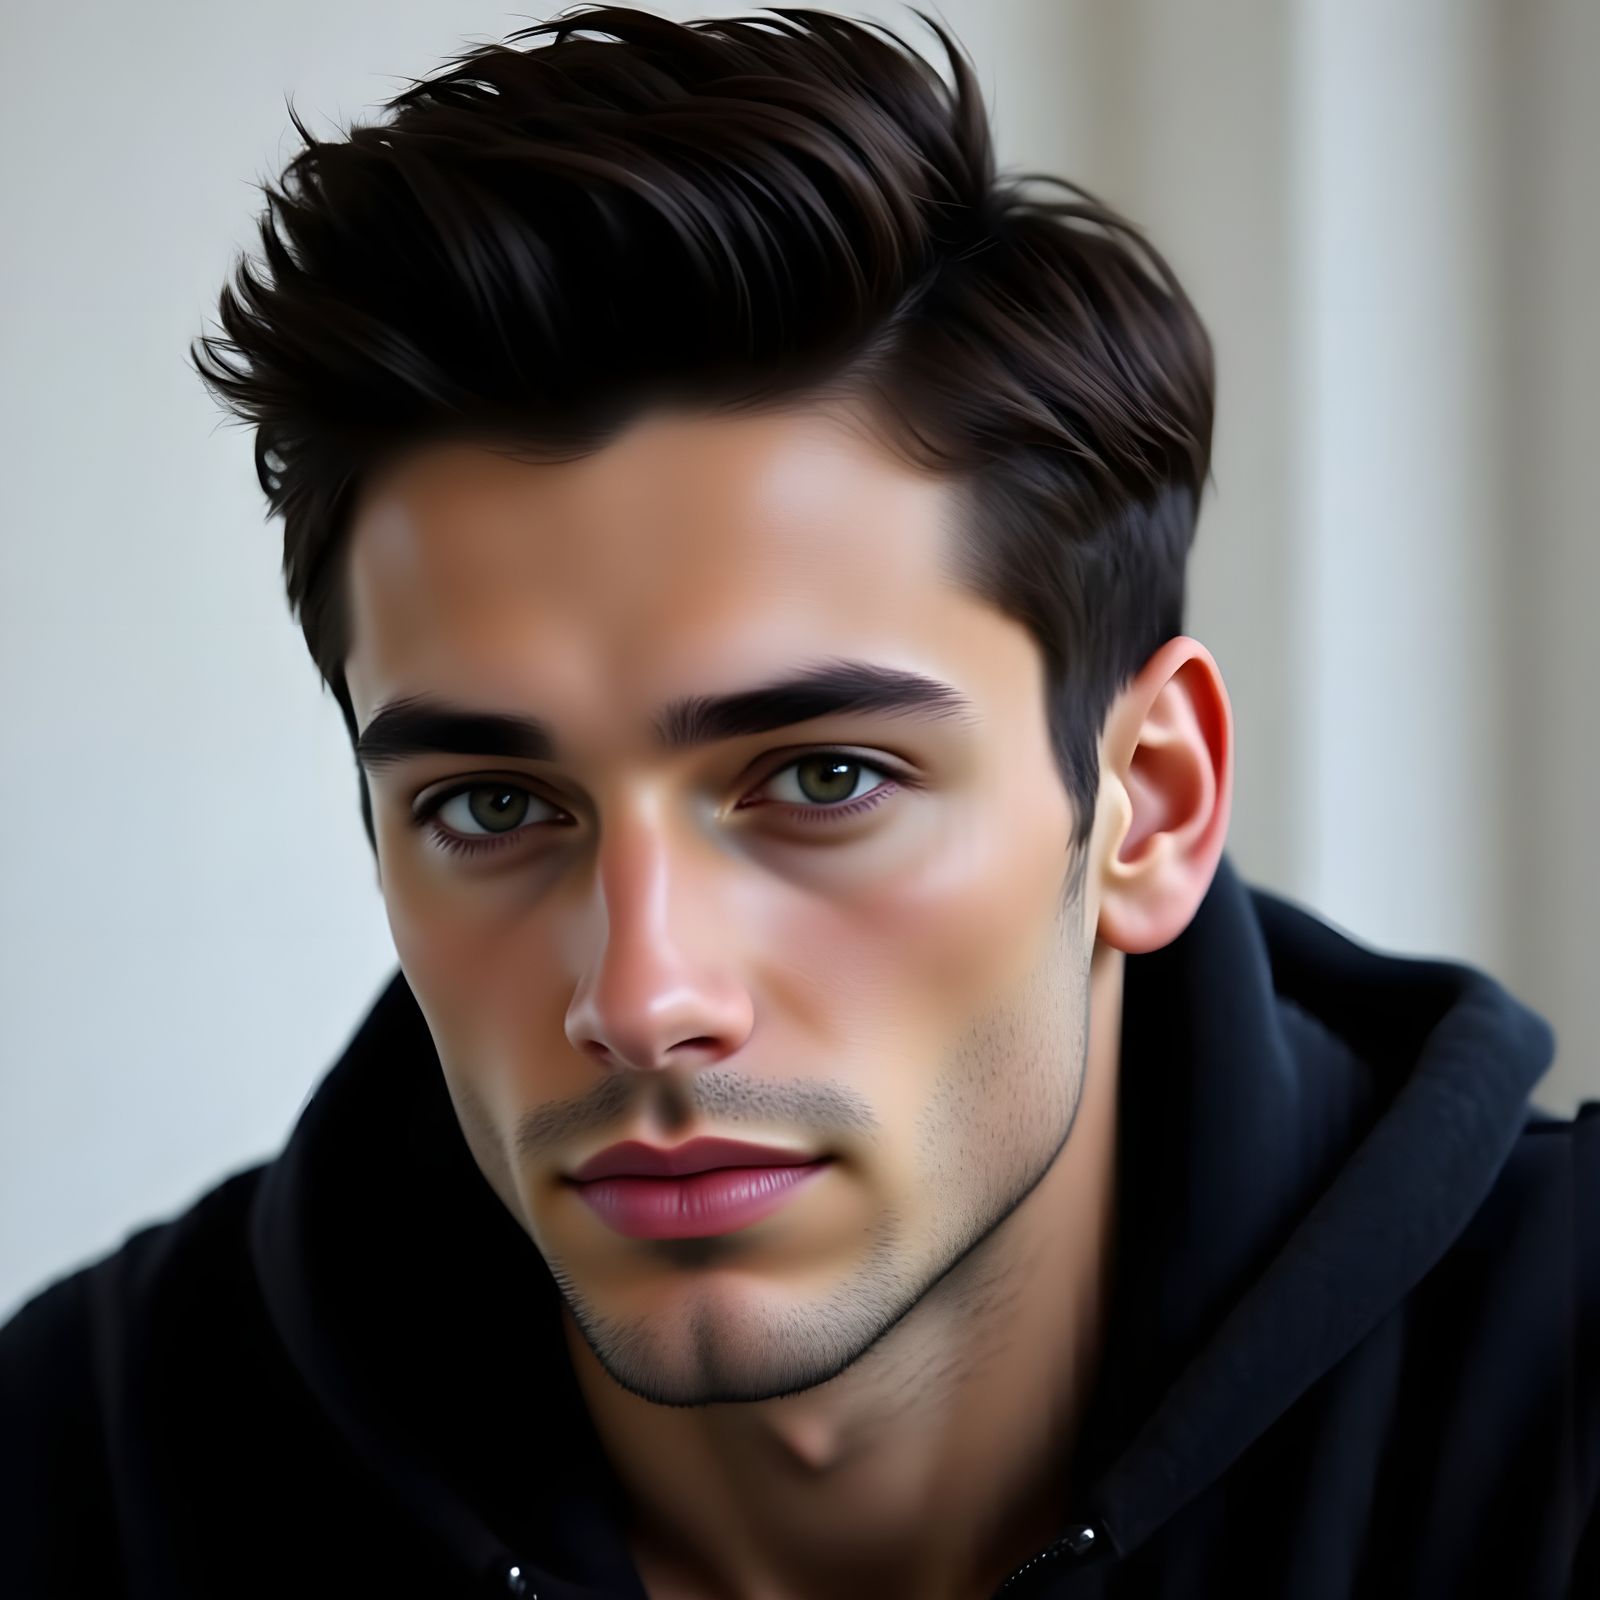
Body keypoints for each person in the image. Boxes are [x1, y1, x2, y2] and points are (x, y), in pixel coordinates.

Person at [3, 7, 1594, 1597]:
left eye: (825, 780)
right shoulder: (81, 1478)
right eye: (492, 806)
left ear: (1150, 805)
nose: (643, 1000)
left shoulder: (1562, 1415)